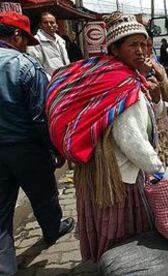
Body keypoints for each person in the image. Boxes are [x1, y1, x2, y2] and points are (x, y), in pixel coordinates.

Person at [45, 12, 164, 262]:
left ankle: (104, 260)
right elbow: (130, 137)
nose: (141, 50)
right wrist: (157, 169)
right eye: (133, 45)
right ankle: (120, 263)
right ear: (115, 49)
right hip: (117, 175)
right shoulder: (120, 82)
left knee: (102, 219)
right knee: (120, 225)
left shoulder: (109, 71)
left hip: (98, 169)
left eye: (143, 44)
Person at [0, 11, 74, 275]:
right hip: (27, 147)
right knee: (44, 195)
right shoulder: (25, 65)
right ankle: (53, 230)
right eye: (25, 40)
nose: (27, 47)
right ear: (16, 35)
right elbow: (41, 115)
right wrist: (56, 148)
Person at [146, 37, 168, 165]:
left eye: (148, 45)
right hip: (146, 138)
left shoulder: (157, 67)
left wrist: (161, 79)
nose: (144, 50)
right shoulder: (127, 73)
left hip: (163, 130)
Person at [27, 11, 70, 78]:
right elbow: (36, 67)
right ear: (40, 25)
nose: (49, 25)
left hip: (65, 79)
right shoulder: (35, 42)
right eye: (45, 23)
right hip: (51, 83)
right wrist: (49, 81)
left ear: (56, 25)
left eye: (52, 22)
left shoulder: (61, 41)